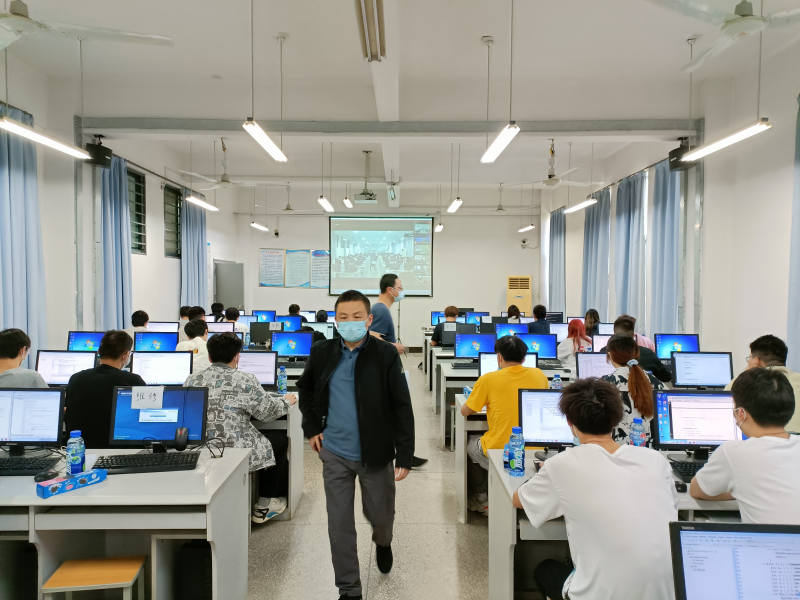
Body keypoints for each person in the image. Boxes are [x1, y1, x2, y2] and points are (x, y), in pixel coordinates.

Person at [513, 378, 678, 600]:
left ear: (569, 421)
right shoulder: (655, 460)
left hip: (599, 595)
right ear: (616, 419)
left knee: (546, 570)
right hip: (668, 592)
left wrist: (544, 474)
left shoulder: (562, 465)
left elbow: (518, 500)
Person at [297, 289, 415, 599]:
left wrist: (405, 453)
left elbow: (402, 405)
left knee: (381, 516)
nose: (350, 322)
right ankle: (349, 588)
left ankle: (383, 542)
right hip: (334, 453)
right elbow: (305, 389)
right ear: (336, 321)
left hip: (375, 452)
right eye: (343, 317)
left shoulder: (385, 354)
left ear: (368, 319)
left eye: (357, 316)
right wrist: (312, 427)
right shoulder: (322, 351)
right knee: (339, 525)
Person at [184, 332, 297, 523]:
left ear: (209, 357)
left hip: (199, 447)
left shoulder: (191, 380)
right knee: (278, 438)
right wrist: (286, 401)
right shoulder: (246, 380)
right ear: (237, 357)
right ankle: (265, 502)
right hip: (235, 449)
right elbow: (267, 412)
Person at [690, 368, 800, 524]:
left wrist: (740, 490)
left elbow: (697, 490)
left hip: (769, 540)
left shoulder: (733, 452)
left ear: (741, 413)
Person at [461, 335, 548, 515]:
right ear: (524, 358)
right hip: (536, 446)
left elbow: (465, 411)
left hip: (502, 448)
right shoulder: (539, 375)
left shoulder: (488, 379)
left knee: (470, 443)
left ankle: (481, 498)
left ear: (499, 357)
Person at [370, 273, 427, 468]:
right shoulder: (380, 310)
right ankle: (402, 454)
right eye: (400, 288)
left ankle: (403, 453)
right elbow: (370, 339)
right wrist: (394, 346)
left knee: (393, 413)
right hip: (385, 370)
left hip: (387, 368)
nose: (401, 291)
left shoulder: (381, 309)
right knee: (397, 412)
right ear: (390, 289)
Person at [65, 331, 146, 448]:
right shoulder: (133, 381)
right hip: (121, 448)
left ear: (99, 352)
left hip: (81, 449)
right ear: (126, 355)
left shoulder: (76, 378)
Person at [725, 334, 800, 433]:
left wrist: (745, 374)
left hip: (759, 440)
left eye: (749, 358)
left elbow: (723, 401)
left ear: (756, 361)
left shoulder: (746, 381)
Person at [601, 334, 663, 445]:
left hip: (615, 449)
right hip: (650, 449)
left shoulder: (603, 385)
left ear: (610, 355)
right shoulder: (656, 383)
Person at [600, 317, 672, 383]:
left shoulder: (604, 352)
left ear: (614, 335)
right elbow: (666, 377)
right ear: (634, 335)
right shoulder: (648, 353)